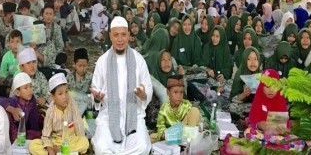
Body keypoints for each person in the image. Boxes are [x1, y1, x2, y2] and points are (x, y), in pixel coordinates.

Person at [91, 16, 152, 154]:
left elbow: (147, 87)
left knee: (142, 146)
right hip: (108, 116)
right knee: (102, 147)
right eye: (116, 35)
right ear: (110, 37)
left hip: (134, 116)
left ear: (129, 36)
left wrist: (143, 95)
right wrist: (97, 98)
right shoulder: (102, 61)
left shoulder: (138, 59)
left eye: (123, 35)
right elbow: (95, 90)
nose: (120, 39)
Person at [29, 73, 89, 155]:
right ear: (52, 97)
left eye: (66, 92)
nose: (65, 96)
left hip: (70, 139)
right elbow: (46, 135)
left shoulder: (71, 104)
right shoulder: (51, 111)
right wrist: (50, 148)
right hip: (55, 141)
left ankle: (60, 150)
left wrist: (81, 138)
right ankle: (59, 151)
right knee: (33, 145)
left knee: (84, 142)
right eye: (60, 94)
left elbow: (78, 122)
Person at [245, 69, 304, 151]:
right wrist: (259, 125)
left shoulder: (280, 99)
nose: (271, 90)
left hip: (279, 137)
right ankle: (275, 147)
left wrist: (285, 131)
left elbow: (286, 125)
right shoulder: (259, 98)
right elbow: (252, 118)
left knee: (298, 142)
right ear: (262, 86)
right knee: (248, 132)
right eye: (267, 86)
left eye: (274, 86)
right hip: (262, 135)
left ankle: (272, 147)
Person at [0, 72, 42, 143]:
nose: (30, 90)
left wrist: (36, 134)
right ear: (17, 93)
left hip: (25, 132)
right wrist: (13, 110)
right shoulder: (14, 101)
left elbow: (33, 120)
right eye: (26, 88)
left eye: (31, 86)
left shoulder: (32, 100)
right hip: (13, 134)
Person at [154, 75, 200, 142]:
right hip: (171, 134)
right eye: (175, 92)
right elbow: (160, 127)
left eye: (181, 92)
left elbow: (193, 119)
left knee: (194, 110)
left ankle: (188, 141)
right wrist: (163, 134)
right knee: (152, 137)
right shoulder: (164, 109)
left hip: (185, 133)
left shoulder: (186, 104)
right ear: (168, 93)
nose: (179, 96)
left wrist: (197, 127)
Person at [229, 47, 262, 120]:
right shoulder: (239, 75)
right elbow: (233, 99)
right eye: (249, 59)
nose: (253, 62)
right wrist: (244, 94)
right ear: (244, 60)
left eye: (255, 59)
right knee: (232, 107)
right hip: (244, 106)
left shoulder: (261, 75)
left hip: (257, 106)